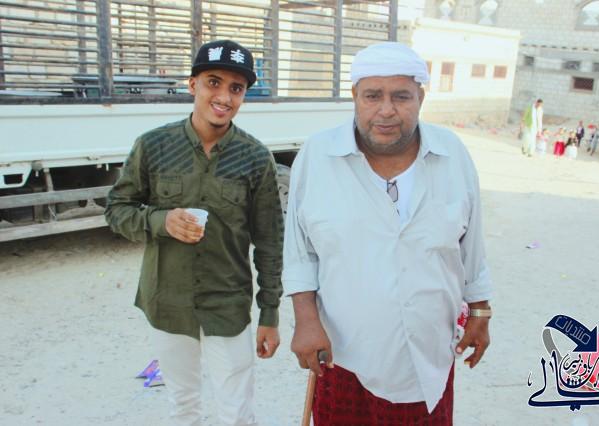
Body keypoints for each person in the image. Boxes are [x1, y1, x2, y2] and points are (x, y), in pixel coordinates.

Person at [283, 42, 492, 425]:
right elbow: (300, 251)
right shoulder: (317, 155)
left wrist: (480, 311)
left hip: (427, 358)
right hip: (344, 356)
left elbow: (471, 245)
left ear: (420, 97)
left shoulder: (452, 154)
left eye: (401, 96)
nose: (386, 110)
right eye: (373, 96)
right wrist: (306, 321)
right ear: (355, 96)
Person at [104, 40, 284, 426]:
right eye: (213, 82)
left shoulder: (255, 158)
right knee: (183, 406)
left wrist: (269, 313)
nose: (224, 97)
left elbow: (270, 241)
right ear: (192, 85)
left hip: (227, 303)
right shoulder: (153, 146)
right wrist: (161, 221)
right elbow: (117, 210)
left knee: (237, 413)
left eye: (236, 88)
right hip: (167, 300)